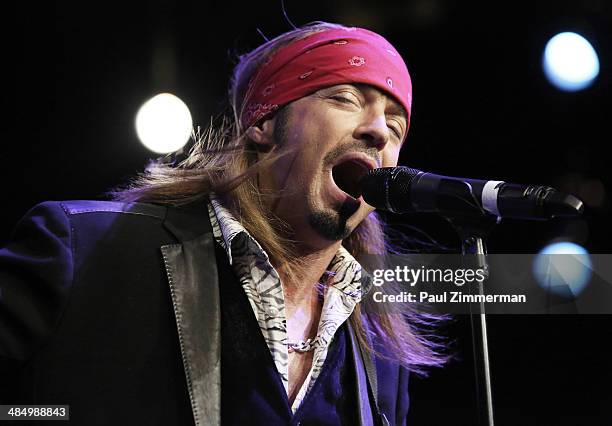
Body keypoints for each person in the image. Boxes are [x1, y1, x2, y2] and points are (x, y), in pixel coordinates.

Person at [0, 22, 445, 425]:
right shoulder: (84, 248)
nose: (379, 131)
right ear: (265, 121)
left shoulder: (381, 352)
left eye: (395, 123)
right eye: (346, 99)